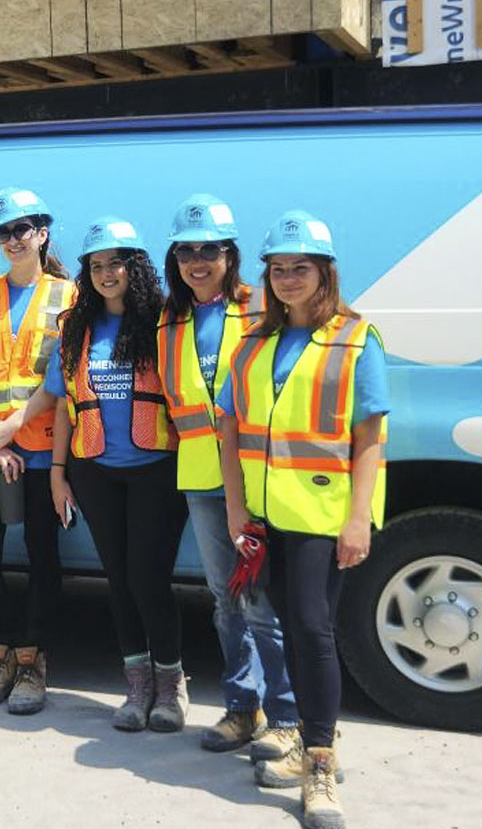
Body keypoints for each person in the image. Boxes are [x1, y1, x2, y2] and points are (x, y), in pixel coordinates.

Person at [218, 211, 389, 829]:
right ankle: (299, 736)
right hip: (266, 518)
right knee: (288, 624)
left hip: (322, 515)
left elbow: (370, 437)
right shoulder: (253, 345)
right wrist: (236, 508)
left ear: (325, 273)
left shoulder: (356, 338)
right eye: (279, 269)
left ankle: (319, 762)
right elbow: (228, 426)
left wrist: (358, 519)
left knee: (313, 630)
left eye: (301, 268)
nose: (289, 279)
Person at [18, 217, 190, 733]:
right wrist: (57, 473)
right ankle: (136, 688)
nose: (106, 273)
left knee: (149, 578)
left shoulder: (163, 321)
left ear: (135, 266)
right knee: (118, 579)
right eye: (96, 265)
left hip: (156, 469)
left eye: (116, 262)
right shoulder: (77, 325)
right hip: (95, 471)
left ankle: (171, 686)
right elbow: (67, 403)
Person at [158, 196, 299, 757]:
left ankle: (287, 715)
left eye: (209, 249)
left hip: (256, 476)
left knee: (263, 601)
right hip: (201, 475)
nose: (198, 260)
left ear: (229, 255)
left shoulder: (263, 308)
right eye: (187, 250)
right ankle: (243, 709)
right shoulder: (170, 318)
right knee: (224, 598)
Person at [0, 187, 75, 715]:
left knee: (43, 558)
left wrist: (10, 430)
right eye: (3, 232)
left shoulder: (67, 296)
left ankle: (33, 661)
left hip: (41, 448)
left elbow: (62, 378)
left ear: (42, 233)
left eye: (22, 230)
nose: (12, 240)